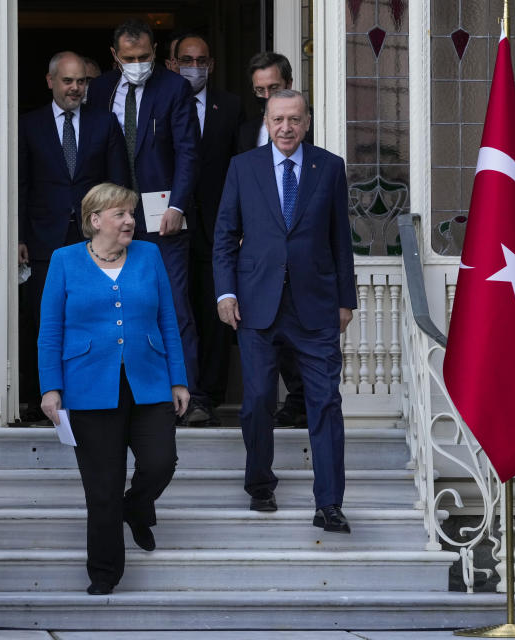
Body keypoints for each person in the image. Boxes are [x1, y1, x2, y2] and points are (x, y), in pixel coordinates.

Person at [214, 90, 356, 533]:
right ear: (267, 121)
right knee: (257, 400)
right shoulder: (243, 167)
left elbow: (340, 239)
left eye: (294, 119)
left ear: (307, 121)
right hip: (257, 304)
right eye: (278, 120)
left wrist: (345, 299)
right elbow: (224, 236)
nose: (286, 128)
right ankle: (260, 484)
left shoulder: (329, 167)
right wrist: (225, 294)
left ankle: (329, 503)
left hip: (315, 306)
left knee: (325, 403)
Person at [39, 182, 190, 595]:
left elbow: (167, 322)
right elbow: (50, 330)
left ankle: (137, 507)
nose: (130, 221)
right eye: (121, 214)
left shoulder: (149, 254)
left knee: (161, 462)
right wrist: (51, 387)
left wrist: (178, 378)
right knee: (102, 487)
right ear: (95, 220)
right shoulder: (64, 260)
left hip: (149, 381)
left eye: (131, 213)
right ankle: (104, 574)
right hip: (88, 386)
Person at [87, 18, 211, 425]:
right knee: (112, 308)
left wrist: (178, 206)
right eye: (128, 58)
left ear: (155, 53)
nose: (137, 64)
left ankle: (188, 398)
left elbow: (189, 153)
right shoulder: (101, 90)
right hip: (112, 219)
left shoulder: (174, 89)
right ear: (114, 57)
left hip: (165, 219)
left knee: (174, 308)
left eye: (143, 57)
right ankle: (120, 398)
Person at [17, 51, 130, 424]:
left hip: (92, 240)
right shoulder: (28, 125)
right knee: (42, 319)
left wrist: (116, 234)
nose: (75, 88)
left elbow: (117, 184)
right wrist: (18, 235)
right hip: (43, 238)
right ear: (51, 82)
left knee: (92, 317)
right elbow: (19, 184)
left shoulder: (104, 123)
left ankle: (87, 394)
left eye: (81, 81)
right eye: (68, 81)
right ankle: (39, 399)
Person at [237, 51, 314, 429]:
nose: (269, 96)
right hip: (258, 254)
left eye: (275, 88)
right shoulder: (246, 130)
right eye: (261, 91)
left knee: (300, 337)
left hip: (302, 257)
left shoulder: (306, 135)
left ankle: (300, 401)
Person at [175, 33, 243, 425]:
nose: (194, 67)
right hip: (172, 223)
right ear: (172, 64)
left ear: (212, 65)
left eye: (201, 60)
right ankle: (183, 392)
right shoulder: (163, 101)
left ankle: (212, 396)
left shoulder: (230, 106)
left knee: (218, 307)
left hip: (218, 223)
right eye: (186, 59)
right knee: (178, 308)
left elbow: (240, 166)